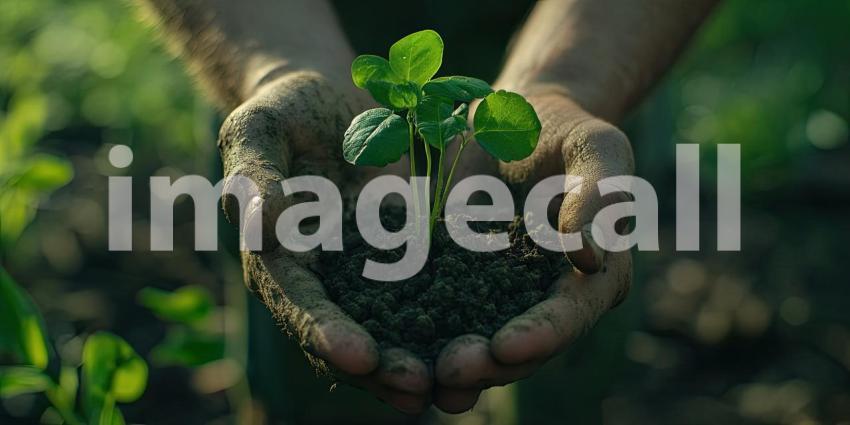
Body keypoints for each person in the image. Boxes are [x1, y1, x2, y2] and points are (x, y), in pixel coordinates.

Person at [139, 0, 718, 418]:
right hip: (274, 19)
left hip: (595, 29)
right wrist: (276, 65)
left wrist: (571, 84)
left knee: (569, 298)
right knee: (313, 383)